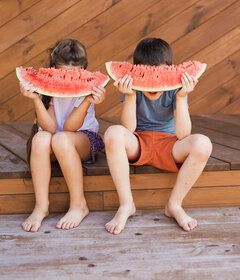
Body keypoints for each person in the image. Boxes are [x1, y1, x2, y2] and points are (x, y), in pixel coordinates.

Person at [104, 38, 212, 235]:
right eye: (146, 74)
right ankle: (126, 204)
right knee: (113, 133)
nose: (153, 85)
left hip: (170, 145)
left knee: (203, 144)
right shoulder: (132, 85)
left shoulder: (177, 87)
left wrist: (180, 97)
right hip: (139, 142)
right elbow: (128, 128)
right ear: (135, 70)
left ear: (169, 70)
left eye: (159, 74)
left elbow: (183, 134)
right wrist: (129, 96)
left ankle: (175, 204)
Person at [19, 38, 106, 232]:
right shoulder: (44, 85)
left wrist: (86, 101)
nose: (67, 79)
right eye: (62, 72)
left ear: (83, 71)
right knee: (40, 139)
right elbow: (49, 128)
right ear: (53, 68)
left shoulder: (87, 87)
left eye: (73, 74)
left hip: (81, 139)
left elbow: (69, 127)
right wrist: (36, 99)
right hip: (53, 140)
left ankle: (79, 204)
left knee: (62, 139)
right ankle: (41, 207)